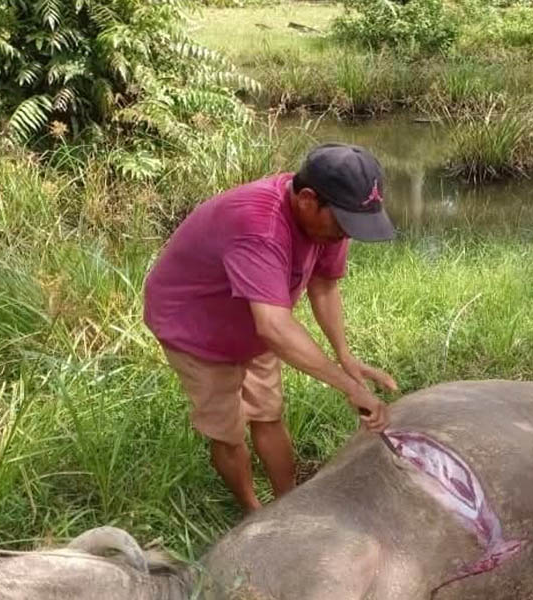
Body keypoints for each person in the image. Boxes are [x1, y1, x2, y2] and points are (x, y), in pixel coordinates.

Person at [144, 143, 399, 514]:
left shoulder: (328, 225)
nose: (347, 235)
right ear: (308, 199)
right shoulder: (259, 226)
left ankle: (289, 507)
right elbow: (275, 327)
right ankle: (253, 514)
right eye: (344, 224)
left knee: (268, 412)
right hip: (196, 326)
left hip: (255, 315)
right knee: (228, 429)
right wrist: (349, 388)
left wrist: (346, 357)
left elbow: (324, 286)